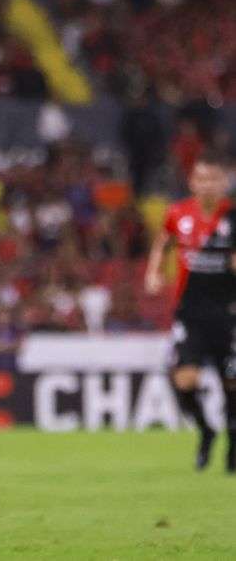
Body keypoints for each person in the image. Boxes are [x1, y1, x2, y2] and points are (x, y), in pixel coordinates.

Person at [145, 150, 236, 473]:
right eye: (202, 179)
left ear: (224, 182)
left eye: (214, 179)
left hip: (229, 313)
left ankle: (233, 445)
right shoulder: (177, 213)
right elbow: (163, 241)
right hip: (190, 313)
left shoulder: (232, 216)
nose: (209, 185)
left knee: (232, 385)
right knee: (183, 381)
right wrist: (154, 271)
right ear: (192, 183)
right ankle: (207, 430)